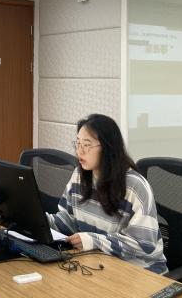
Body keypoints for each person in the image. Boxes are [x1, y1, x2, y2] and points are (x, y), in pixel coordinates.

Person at [46, 113, 168, 274]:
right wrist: (40, 221)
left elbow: (142, 244)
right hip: (100, 263)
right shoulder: (79, 176)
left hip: (141, 271)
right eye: (78, 143)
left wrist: (93, 241)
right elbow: (69, 221)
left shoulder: (135, 186)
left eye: (86, 145)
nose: (79, 151)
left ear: (108, 148)